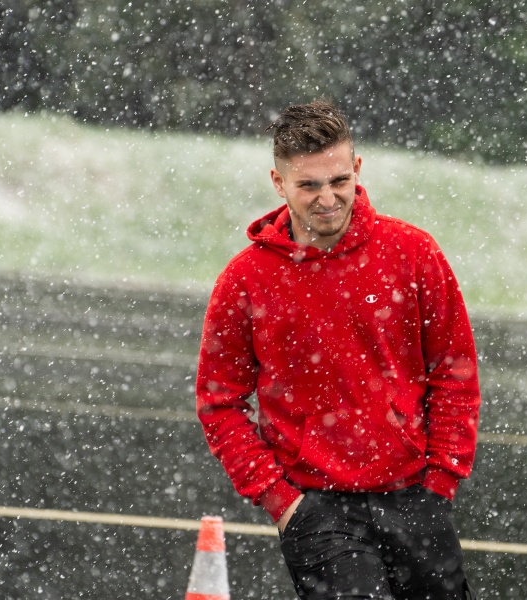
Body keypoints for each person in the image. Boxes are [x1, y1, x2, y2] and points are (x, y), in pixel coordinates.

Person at [195, 100, 481, 600]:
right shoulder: (245, 280)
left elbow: (454, 373)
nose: (327, 198)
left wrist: (441, 482)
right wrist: (282, 501)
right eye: (308, 185)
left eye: (339, 181)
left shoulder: (413, 254)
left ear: (357, 169)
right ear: (279, 183)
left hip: (415, 496)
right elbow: (219, 403)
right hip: (317, 509)